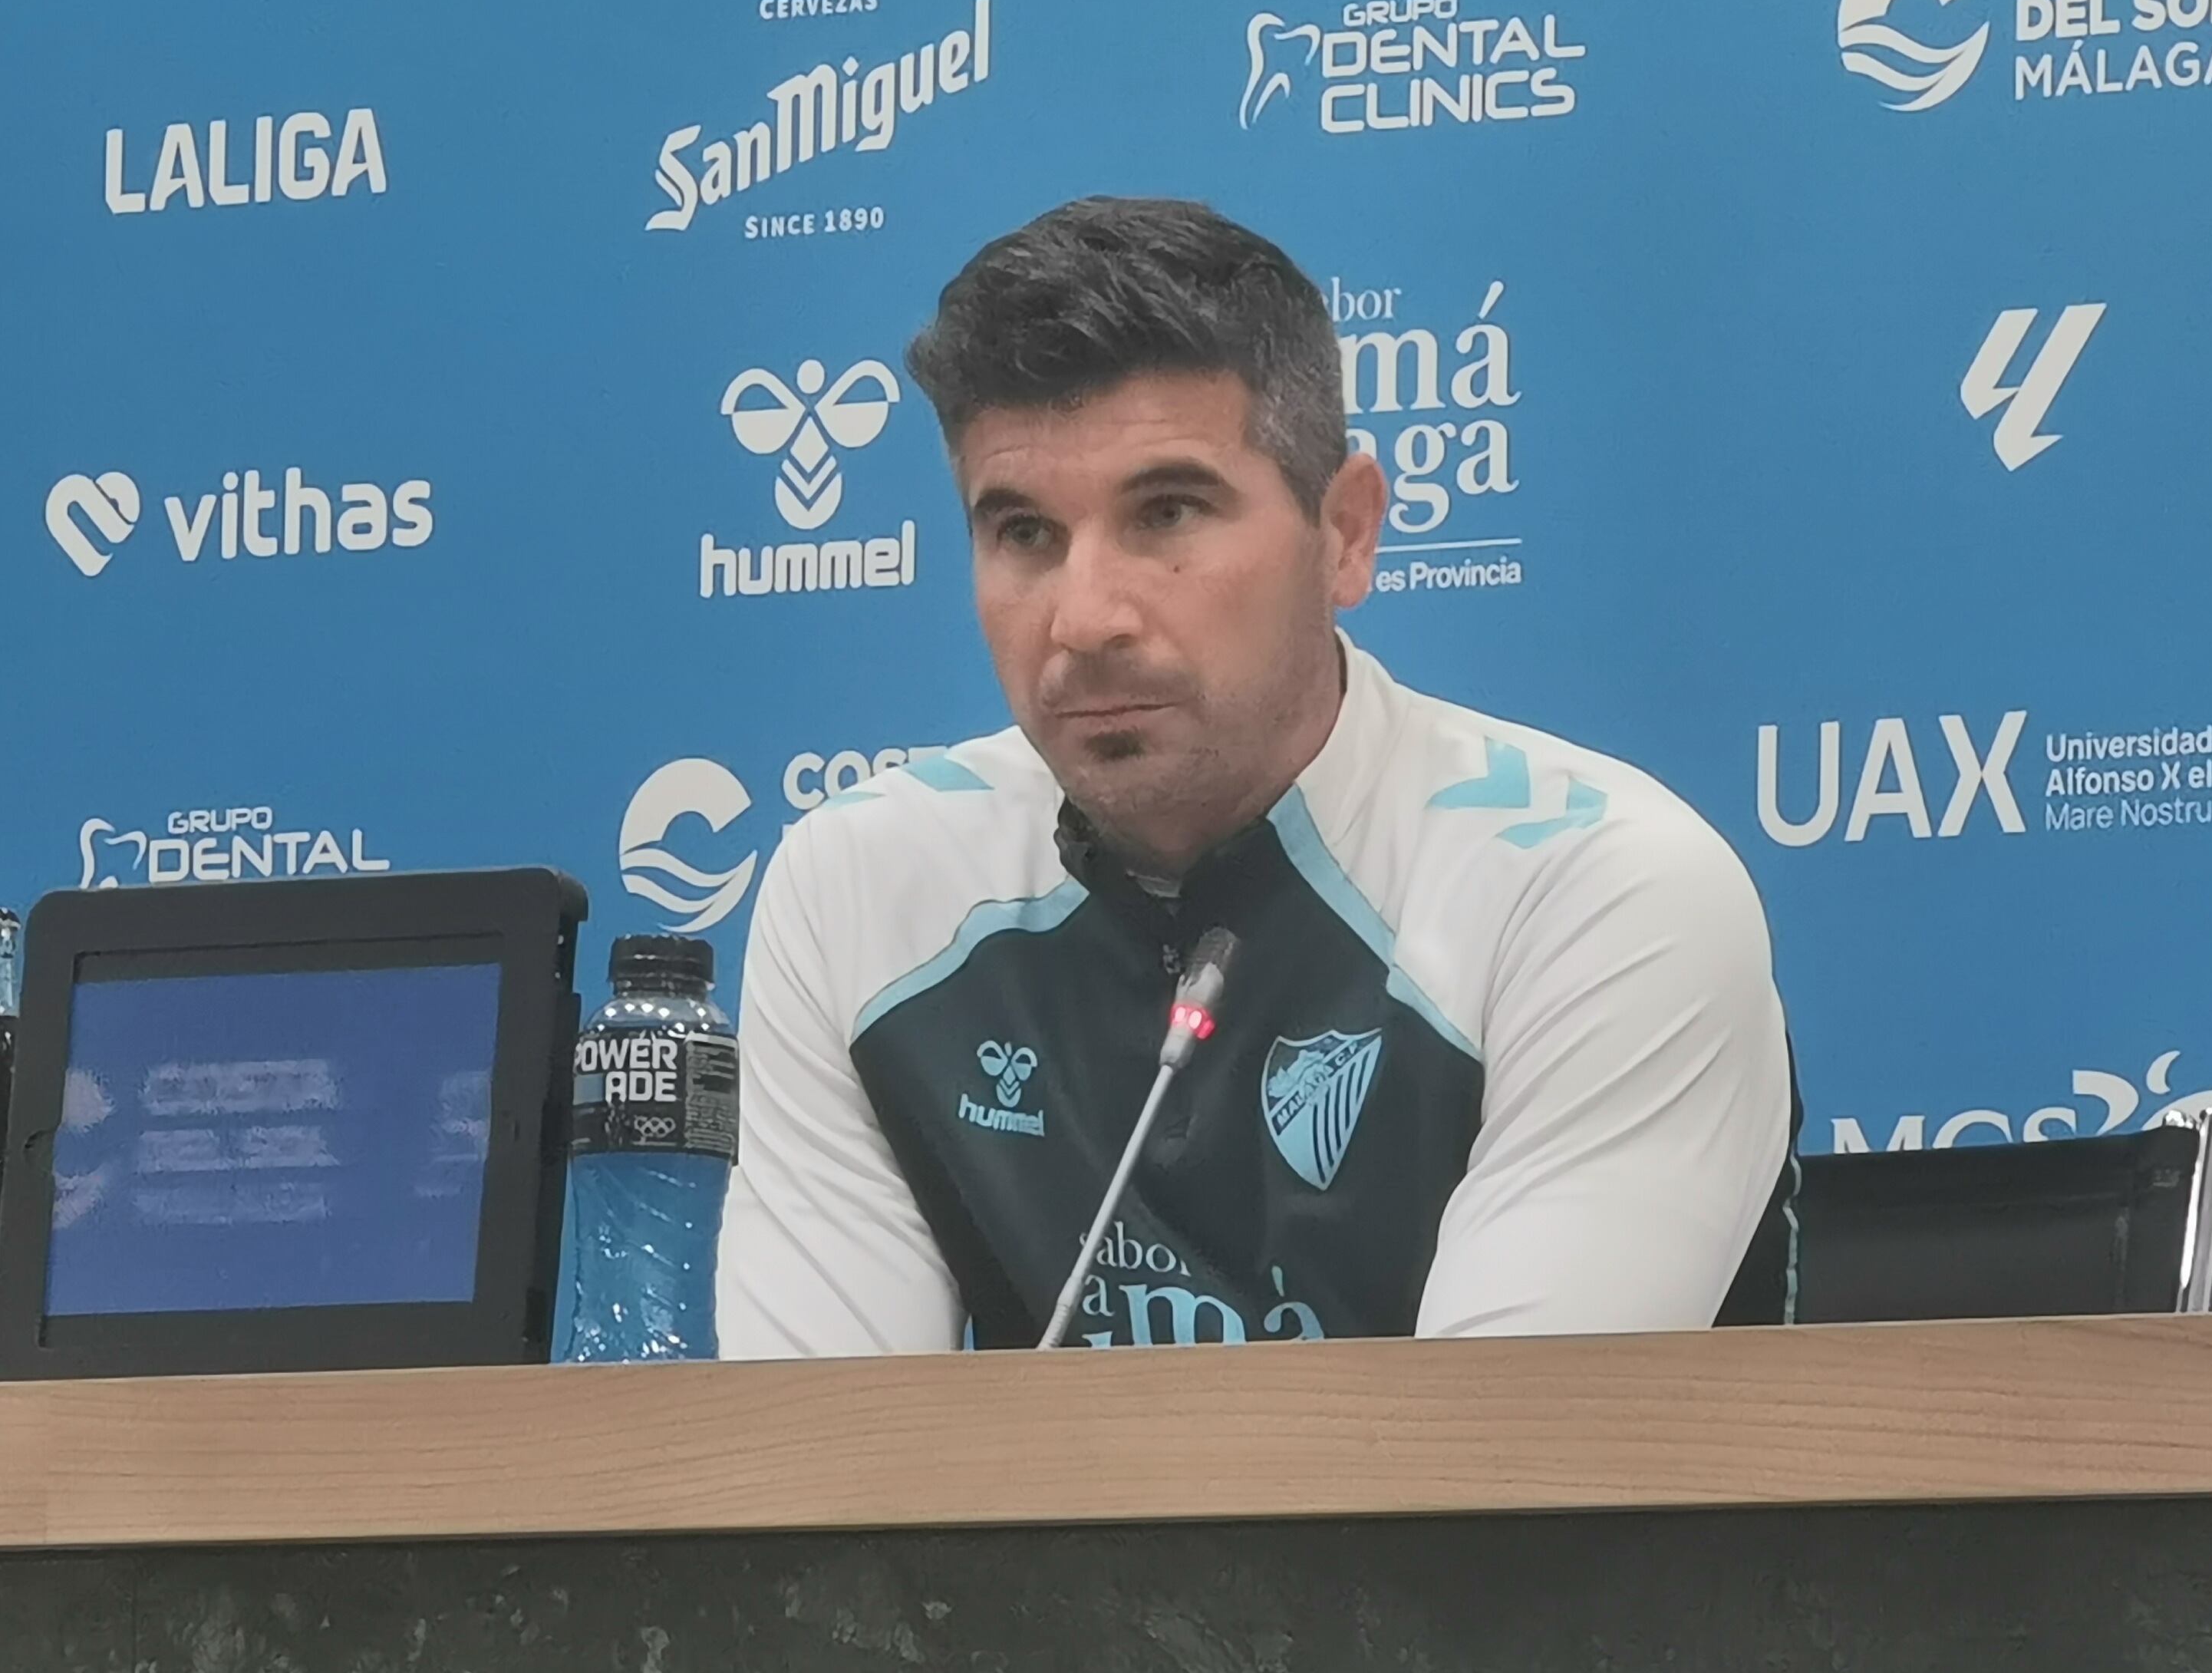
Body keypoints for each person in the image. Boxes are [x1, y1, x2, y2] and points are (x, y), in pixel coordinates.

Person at [715, 196, 1798, 1354]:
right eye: (1023, 533)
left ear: (1347, 534)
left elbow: (1501, 1493)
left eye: (1167, 513)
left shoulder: (1600, 892)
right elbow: (826, 1482)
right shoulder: (861, 887)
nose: (1083, 620)